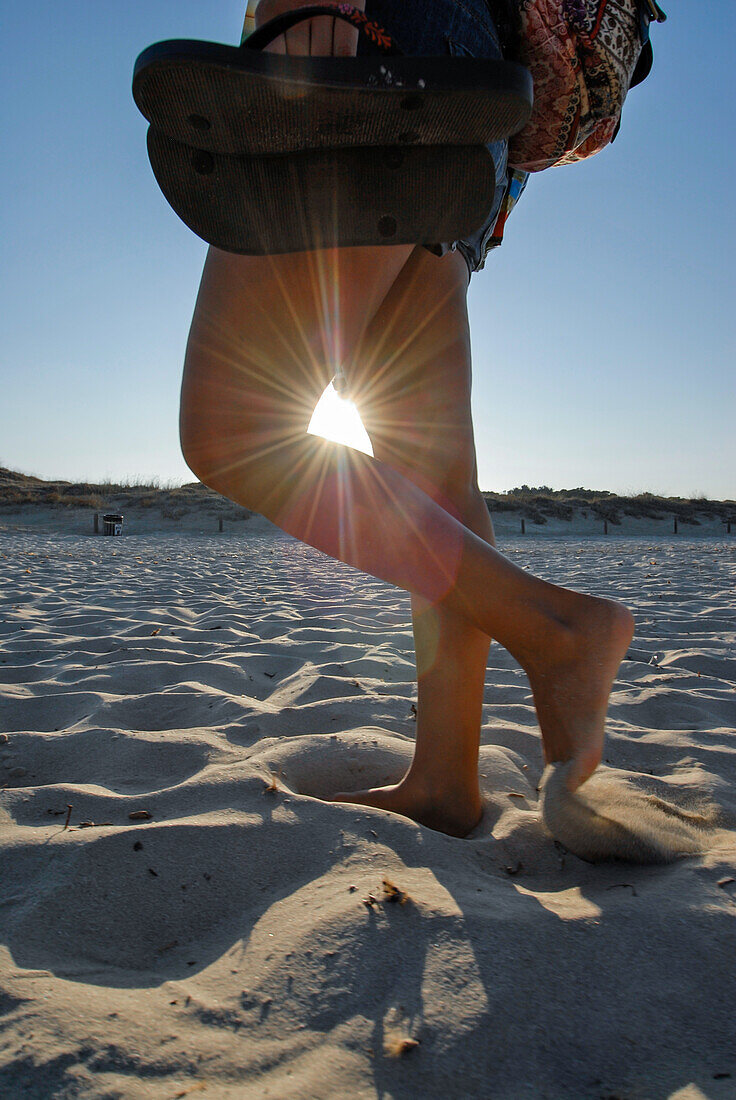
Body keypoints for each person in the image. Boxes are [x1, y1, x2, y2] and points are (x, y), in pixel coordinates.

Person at [179, 0, 635, 837]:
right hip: (478, 99)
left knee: (231, 431)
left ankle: (560, 631)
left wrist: (314, 5)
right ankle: (443, 781)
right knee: (437, 477)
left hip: (380, 45)